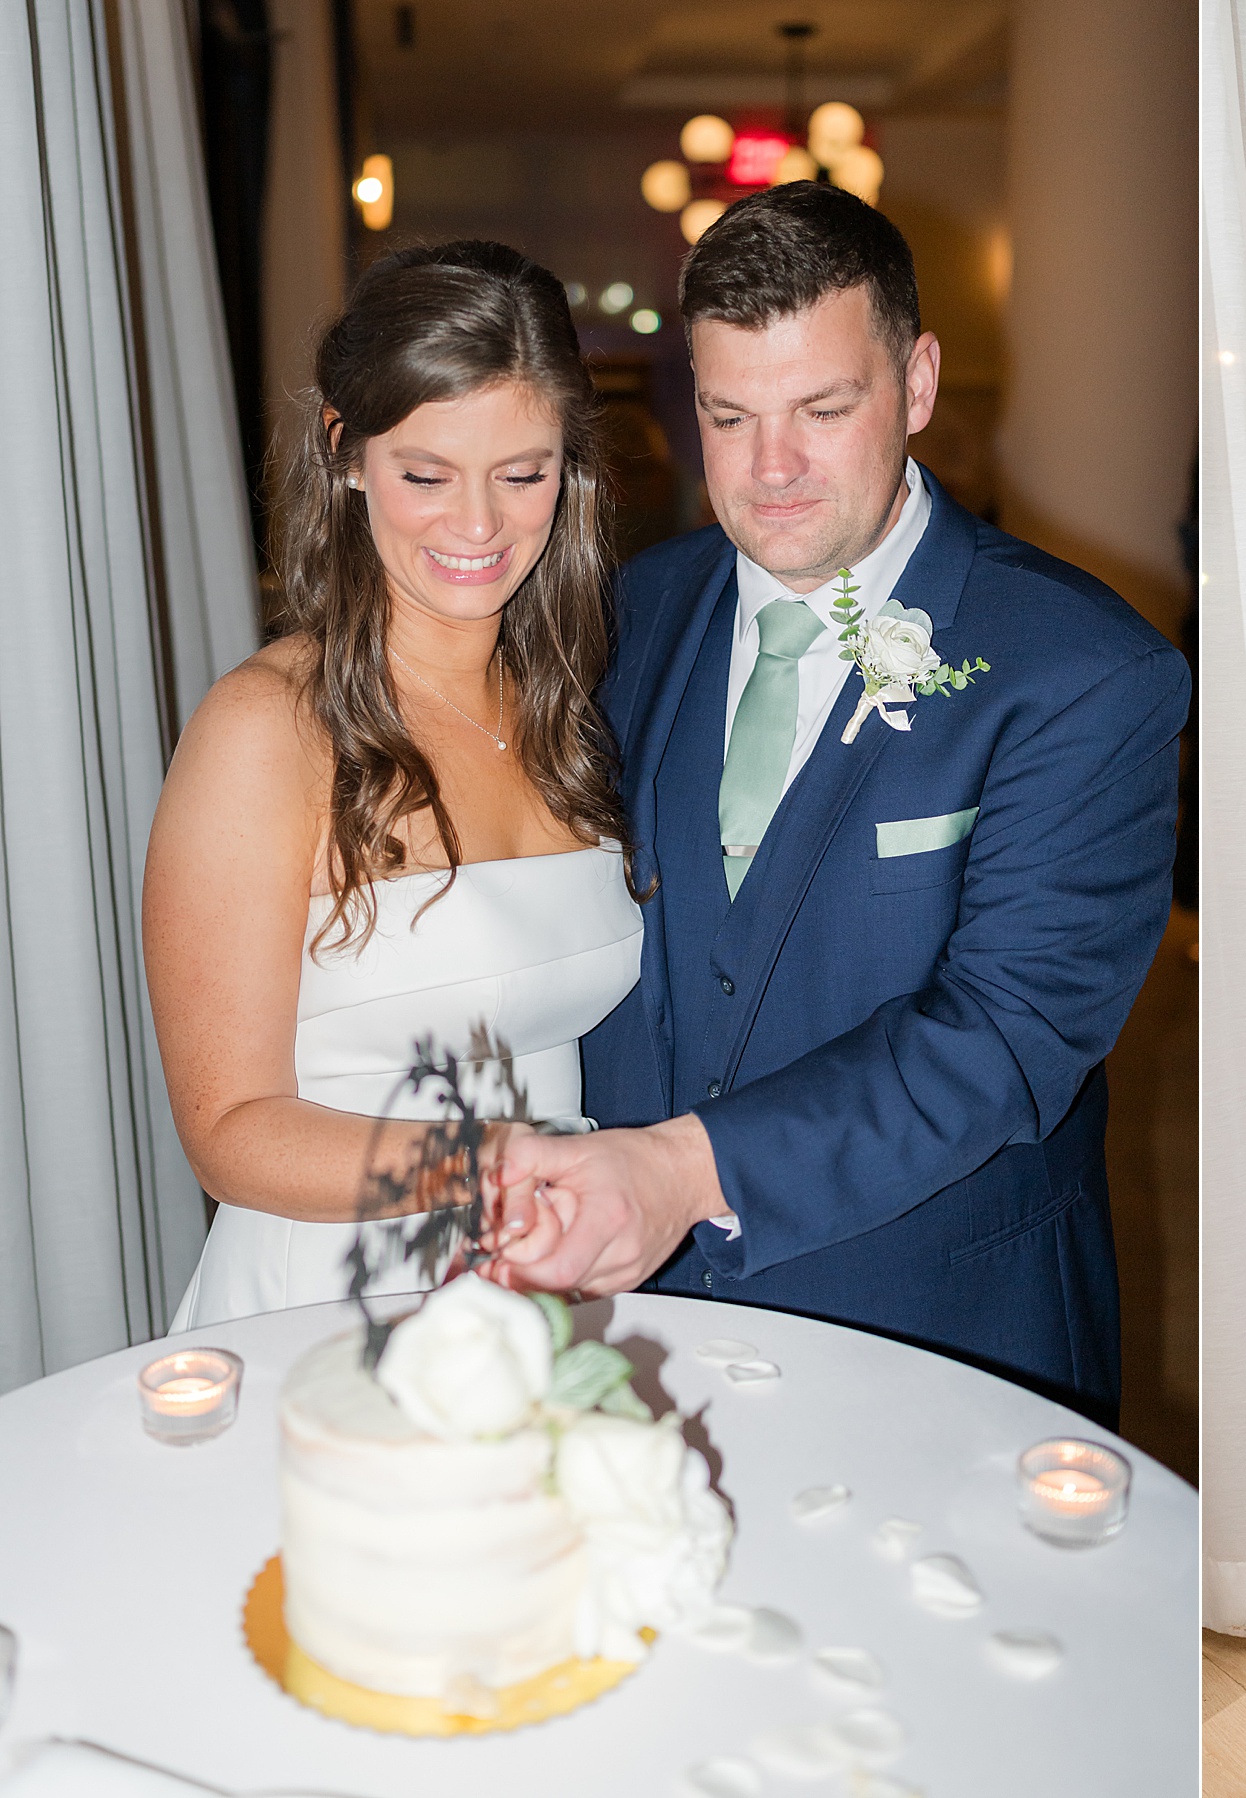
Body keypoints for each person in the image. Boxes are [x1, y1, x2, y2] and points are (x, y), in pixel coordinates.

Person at [488, 183, 1187, 1426]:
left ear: (915, 386)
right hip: (634, 1329)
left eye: (823, 408)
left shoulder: (1087, 671)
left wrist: (681, 1170)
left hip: (945, 1347)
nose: (772, 469)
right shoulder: (626, 616)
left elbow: (1008, 1034)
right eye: (729, 414)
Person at [149, 242, 643, 1329]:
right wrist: (494, 1165)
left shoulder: (563, 707)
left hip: (546, 1294)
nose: (478, 527)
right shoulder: (266, 728)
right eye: (427, 474)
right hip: (328, 1305)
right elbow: (227, 1132)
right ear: (346, 449)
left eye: (524, 474)